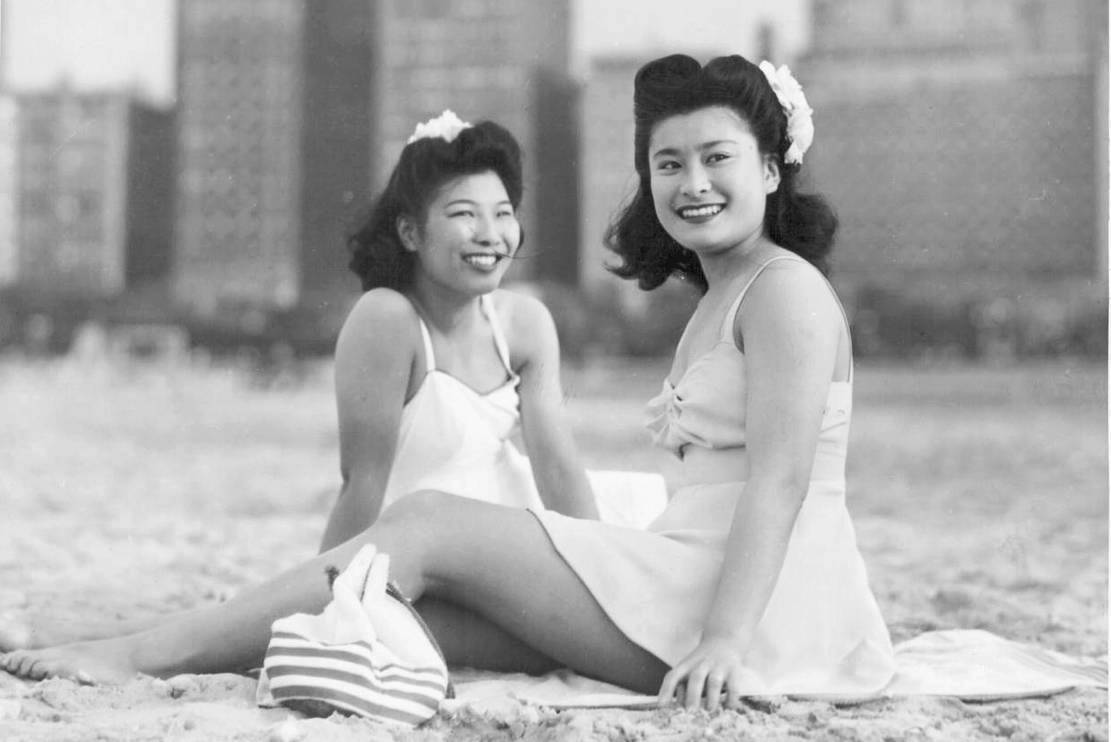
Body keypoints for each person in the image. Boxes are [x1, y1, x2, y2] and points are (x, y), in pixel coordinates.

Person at [1, 54, 896, 709]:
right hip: (692, 574)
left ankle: (138, 653)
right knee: (410, 617)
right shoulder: (728, 289)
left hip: (762, 605)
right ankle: (129, 642)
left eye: (717, 158)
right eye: (668, 163)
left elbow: (778, 482)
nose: (691, 183)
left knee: (422, 529)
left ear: (772, 168)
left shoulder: (783, 293)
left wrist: (727, 641)